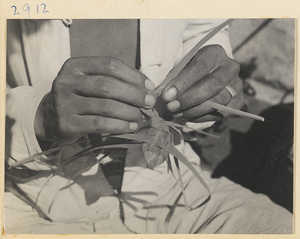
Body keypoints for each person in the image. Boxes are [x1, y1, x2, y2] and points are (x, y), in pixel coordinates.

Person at [5, 19, 292, 234]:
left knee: (280, 227)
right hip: (27, 201)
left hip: (169, 191)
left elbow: (203, 31)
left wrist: (212, 88)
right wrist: (40, 117)